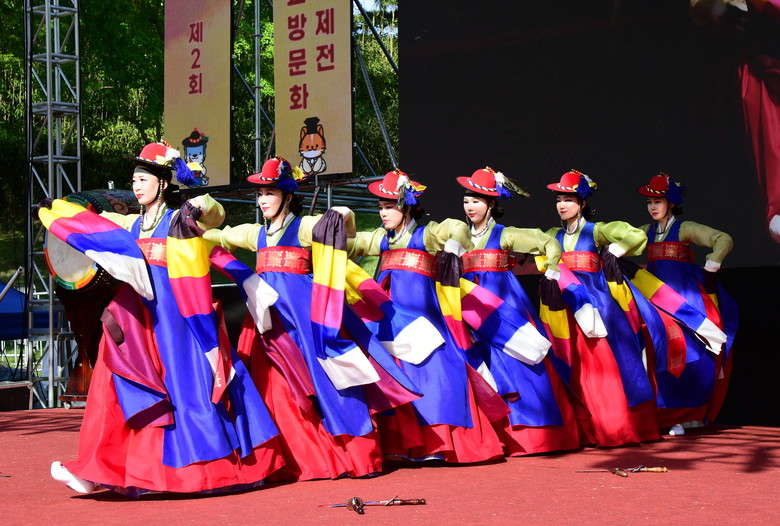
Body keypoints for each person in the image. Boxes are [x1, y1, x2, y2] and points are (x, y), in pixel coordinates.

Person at [43, 141, 284, 497]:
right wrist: (56, 212)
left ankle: (201, 471)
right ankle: (95, 468)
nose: (136, 186)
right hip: (138, 321)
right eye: (134, 180)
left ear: (163, 183)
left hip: (177, 323)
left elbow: (215, 213)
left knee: (188, 391)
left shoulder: (177, 219)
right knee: (113, 381)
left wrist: (196, 206)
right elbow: (91, 222)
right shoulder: (131, 224)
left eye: (143, 179)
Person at [204, 156, 421, 481]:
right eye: (260, 194)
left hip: (306, 321)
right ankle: (297, 458)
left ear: (288, 196)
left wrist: (340, 213)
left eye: (270, 193)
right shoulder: (255, 234)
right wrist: (189, 223)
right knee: (274, 388)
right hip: (270, 323)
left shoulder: (304, 227)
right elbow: (216, 236)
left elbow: (345, 224)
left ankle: (357, 456)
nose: (262, 200)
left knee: (330, 381)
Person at [347, 168, 514, 464]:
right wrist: (342, 217)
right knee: (393, 374)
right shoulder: (382, 238)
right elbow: (349, 241)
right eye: (381, 207)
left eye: (389, 206)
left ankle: (441, 442)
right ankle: (400, 444)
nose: (383, 213)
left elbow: (457, 228)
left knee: (439, 371)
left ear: (406, 206)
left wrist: (451, 246)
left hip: (426, 320)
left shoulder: (426, 234)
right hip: (391, 319)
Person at [456, 167, 581, 455]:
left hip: (503, 306)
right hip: (470, 306)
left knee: (518, 363)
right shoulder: (458, 236)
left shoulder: (505, 234)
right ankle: (490, 436)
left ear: (492, 204)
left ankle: (533, 435)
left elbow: (548, 242)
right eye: (466, 201)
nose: (470, 207)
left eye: (476, 201)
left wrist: (552, 270)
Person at [543, 169, 660, 447]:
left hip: (595, 306)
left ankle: (613, 427)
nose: (562, 205)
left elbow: (634, 235)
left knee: (603, 366)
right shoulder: (551, 235)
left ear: (582, 203)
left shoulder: (596, 231)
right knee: (571, 365)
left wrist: (616, 250)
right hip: (564, 307)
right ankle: (583, 431)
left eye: (568, 199)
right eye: (559, 199)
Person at [636, 172, 738, 435]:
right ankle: (668, 414)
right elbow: (621, 241)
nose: (652, 207)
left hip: (685, 302)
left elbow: (723, 239)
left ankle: (687, 414)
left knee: (687, 356)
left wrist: (713, 263)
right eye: (649, 202)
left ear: (670, 203)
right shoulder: (646, 232)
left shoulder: (684, 228)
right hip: (655, 301)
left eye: (658, 202)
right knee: (660, 353)